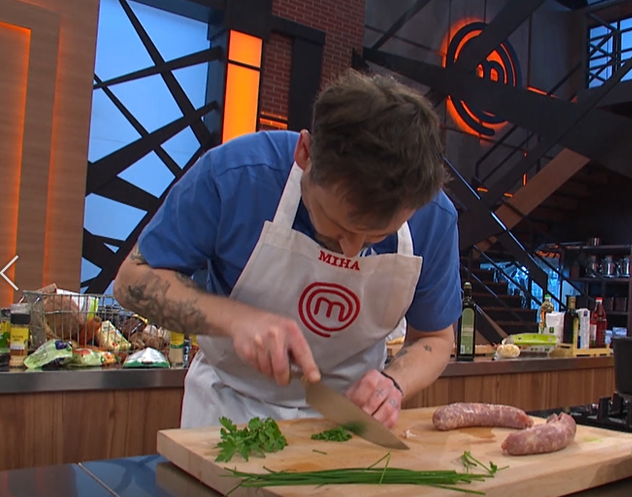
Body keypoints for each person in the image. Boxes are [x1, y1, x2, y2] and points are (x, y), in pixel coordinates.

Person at [113, 69, 462, 430]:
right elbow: (131, 280)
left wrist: (393, 384)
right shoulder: (237, 176)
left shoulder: (432, 217)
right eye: (338, 225)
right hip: (228, 411)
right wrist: (235, 319)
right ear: (305, 153)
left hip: (348, 422)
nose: (351, 251)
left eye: (375, 237)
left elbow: (435, 338)